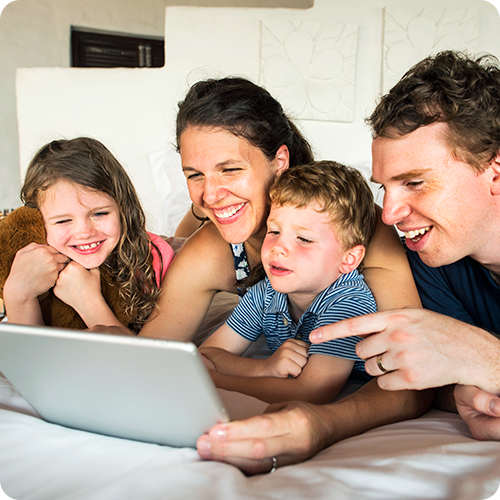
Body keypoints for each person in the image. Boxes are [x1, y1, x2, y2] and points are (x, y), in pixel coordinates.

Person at [194, 51, 500, 473]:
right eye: (385, 188)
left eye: (415, 183)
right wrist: (464, 390)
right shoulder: (432, 260)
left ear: (495, 171)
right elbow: (424, 382)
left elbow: (474, 359)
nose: (388, 215)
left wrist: (487, 359)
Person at [136, 76, 432, 473]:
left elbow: (414, 377)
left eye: (230, 169)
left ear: (279, 161)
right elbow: (150, 361)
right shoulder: (211, 252)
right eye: (194, 175)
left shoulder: (359, 229)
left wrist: (319, 422)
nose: (210, 194)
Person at [199, 161, 377, 404]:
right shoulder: (265, 292)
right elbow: (207, 354)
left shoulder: (349, 302)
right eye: (273, 232)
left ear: (349, 259)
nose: (278, 248)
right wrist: (264, 368)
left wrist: (215, 380)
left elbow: (311, 392)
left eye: (303, 238)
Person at [3, 137, 175, 332]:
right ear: (37, 220)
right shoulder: (25, 264)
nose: (85, 232)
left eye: (99, 213)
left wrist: (88, 302)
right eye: (63, 220)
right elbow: (28, 358)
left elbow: (148, 359)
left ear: (123, 209)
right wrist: (18, 294)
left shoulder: (152, 258)